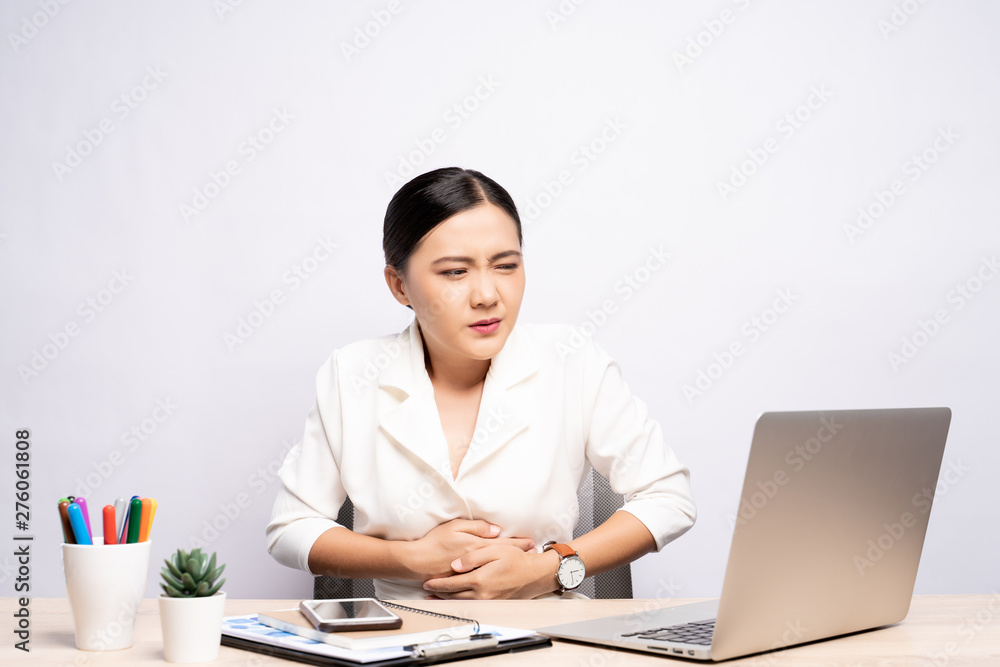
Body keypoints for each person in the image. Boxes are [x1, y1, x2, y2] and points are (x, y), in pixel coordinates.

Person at [266, 167, 696, 600]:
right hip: (401, 636)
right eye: (455, 272)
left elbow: (668, 497)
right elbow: (291, 528)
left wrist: (548, 568)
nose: (488, 294)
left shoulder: (572, 360)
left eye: (506, 265)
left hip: (545, 633)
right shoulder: (353, 373)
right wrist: (412, 557)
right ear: (400, 286)